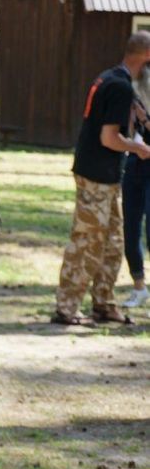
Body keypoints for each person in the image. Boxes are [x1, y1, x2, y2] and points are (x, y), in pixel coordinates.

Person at [53, 31, 150, 326]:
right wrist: (139, 148)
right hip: (96, 174)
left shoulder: (112, 77)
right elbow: (108, 138)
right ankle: (66, 308)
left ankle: (104, 304)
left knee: (112, 242)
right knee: (87, 242)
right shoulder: (119, 86)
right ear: (145, 56)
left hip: (106, 176)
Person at [121, 60, 150, 309]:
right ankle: (139, 287)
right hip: (135, 163)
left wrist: (147, 120)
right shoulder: (133, 87)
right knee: (130, 227)